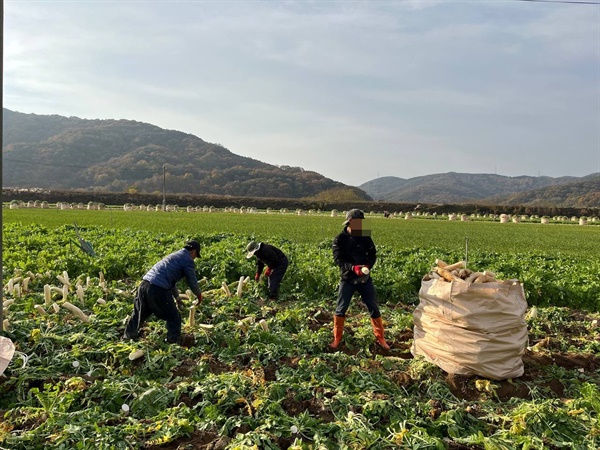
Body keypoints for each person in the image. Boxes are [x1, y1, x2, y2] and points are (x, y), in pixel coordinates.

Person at [330, 209, 390, 350]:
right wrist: (353, 268)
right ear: (350, 221)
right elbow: (338, 260)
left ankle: (380, 338)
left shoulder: (365, 236)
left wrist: (368, 265)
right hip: (348, 279)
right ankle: (337, 338)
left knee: (373, 308)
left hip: (365, 279)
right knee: (341, 309)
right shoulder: (340, 239)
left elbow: (372, 254)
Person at [123, 240, 203, 344]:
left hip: (144, 285)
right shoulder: (187, 260)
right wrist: (199, 295)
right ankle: (173, 343)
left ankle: (127, 337)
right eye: (196, 256)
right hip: (158, 289)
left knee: (140, 313)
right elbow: (192, 281)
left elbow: (171, 281)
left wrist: (177, 298)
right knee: (174, 317)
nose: (194, 258)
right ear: (193, 252)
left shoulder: (174, 256)